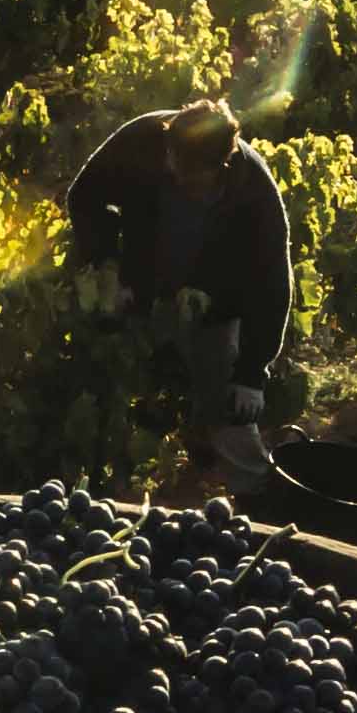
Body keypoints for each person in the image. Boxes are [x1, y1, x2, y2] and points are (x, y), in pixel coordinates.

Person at [62, 96, 295, 469]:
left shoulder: (254, 190)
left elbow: (272, 284)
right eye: (173, 165)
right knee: (106, 382)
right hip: (139, 285)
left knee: (228, 407)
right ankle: (103, 474)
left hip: (214, 302)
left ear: (223, 164)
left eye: (191, 177)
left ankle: (250, 491)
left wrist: (252, 373)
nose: (177, 176)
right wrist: (108, 263)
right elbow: (84, 195)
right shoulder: (142, 140)